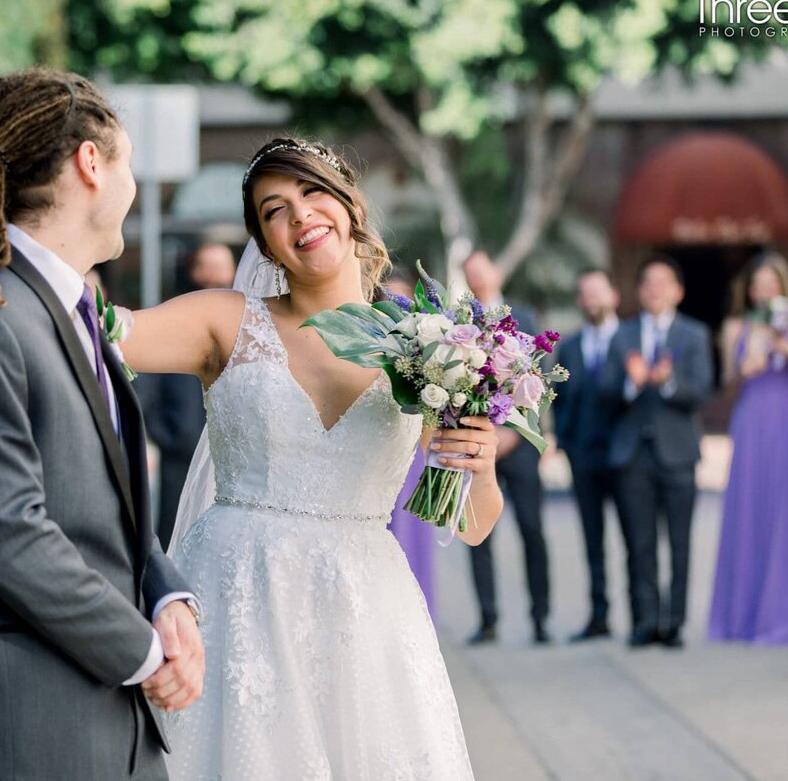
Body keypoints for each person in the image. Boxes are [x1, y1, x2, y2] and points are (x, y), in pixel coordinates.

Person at [118, 138, 503, 779]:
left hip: (366, 610)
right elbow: (104, 331)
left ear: (350, 203)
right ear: (264, 244)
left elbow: (471, 522)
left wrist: (480, 465)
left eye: (311, 191)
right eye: (274, 210)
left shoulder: (429, 348)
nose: (298, 216)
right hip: (236, 592)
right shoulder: (224, 320)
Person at [0, 69, 200, 781]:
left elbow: (107, 502)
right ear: (91, 162)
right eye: (129, 162)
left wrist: (166, 593)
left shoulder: (70, 308)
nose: (133, 184)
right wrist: (143, 654)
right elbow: (9, 536)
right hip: (19, 728)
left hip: (107, 723)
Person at [601, 254, 713, 648]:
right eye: (648, 283)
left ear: (679, 292)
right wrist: (632, 385)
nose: (655, 290)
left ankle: (675, 623)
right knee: (639, 544)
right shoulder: (623, 336)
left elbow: (702, 388)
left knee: (679, 543)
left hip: (678, 454)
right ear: (639, 291)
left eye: (663, 283)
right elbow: (605, 392)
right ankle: (644, 621)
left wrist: (668, 383)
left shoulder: (694, 335)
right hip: (632, 455)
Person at [708, 252, 788, 645]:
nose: (765, 290)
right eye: (759, 284)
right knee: (749, 509)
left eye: (772, 283)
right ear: (750, 289)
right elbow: (727, 384)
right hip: (751, 420)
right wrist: (745, 365)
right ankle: (743, 616)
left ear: (783, 285)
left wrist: (786, 348)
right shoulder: (735, 326)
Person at [460, 250, 551, 645]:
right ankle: (488, 618)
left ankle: (540, 619)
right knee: (478, 533)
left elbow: (542, 384)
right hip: (480, 445)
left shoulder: (526, 318)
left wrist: (517, 433)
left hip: (520, 445)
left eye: (482, 266)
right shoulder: (460, 322)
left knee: (532, 530)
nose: (477, 274)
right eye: (469, 271)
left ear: (495, 270)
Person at [137, 241, 237, 548]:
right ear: (193, 270)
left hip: (233, 463)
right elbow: (147, 386)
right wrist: (167, 435)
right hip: (179, 454)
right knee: (174, 536)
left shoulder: (246, 326)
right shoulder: (175, 318)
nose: (212, 274)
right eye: (205, 265)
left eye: (220, 266)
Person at [553, 269, 621, 642]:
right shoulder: (573, 346)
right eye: (586, 294)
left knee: (634, 539)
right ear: (580, 302)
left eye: (598, 292)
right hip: (583, 453)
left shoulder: (629, 339)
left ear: (613, 296)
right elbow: (561, 400)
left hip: (624, 455)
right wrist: (563, 441)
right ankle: (599, 614)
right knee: (591, 540)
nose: (592, 300)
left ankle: (643, 615)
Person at [383, 267, 442, 621]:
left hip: (414, 456)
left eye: (401, 299)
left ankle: (414, 623)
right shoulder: (370, 344)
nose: (396, 306)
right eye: (388, 298)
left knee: (412, 541)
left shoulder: (428, 347)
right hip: (374, 457)